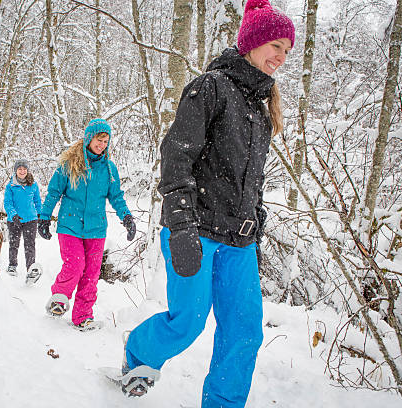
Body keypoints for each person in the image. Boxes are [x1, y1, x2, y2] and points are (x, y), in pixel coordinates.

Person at [119, 0, 295, 406]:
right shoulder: (211, 87)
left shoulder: (262, 109)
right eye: (275, 45)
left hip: (240, 241)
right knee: (189, 321)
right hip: (195, 229)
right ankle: (139, 354)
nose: (281, 57)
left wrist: (258, 215)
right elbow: (176, 156)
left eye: (287, 51)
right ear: (252, 41)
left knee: (244, 330)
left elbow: (253, 175)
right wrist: (180, 227)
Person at [38, 118, 136, 331]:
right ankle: (59, 298)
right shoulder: (70, 164)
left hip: (96, 228)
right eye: (99, 140)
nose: (102, 145)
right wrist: (44, 216)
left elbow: (116, 196)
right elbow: (54, 191)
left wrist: (127, 217)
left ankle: (82, 316)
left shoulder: (109, 169)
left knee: (91, 274)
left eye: (105, 141)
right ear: (89, 139)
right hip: (70, 225)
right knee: (75, 265)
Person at [3, 159, 43, 284]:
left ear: (27, 170)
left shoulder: (33, 184)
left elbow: (37, 201)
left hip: (31, 219)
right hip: (14, 220)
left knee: (30, 245)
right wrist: (13, 215)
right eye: (19, 169)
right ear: (16, 170)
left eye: (24, 169)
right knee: (14, 243)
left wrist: (40, 214)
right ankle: (12, 265)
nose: (22, 171)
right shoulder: (11, 186)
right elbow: (7, 202)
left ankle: (30, 269)